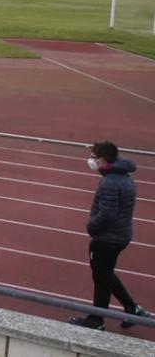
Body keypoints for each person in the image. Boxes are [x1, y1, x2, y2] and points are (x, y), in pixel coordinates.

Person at [68, 141, 147, 330]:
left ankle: (97, 320)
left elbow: (107, 214)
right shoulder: (123, 177)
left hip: (108, 238)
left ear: (103, 160)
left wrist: (92, 227)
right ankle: (132, 308)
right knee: (105, 273)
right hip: (120, 234)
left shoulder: (110, 183)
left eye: (94, 157)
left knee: (101, 278)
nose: (91, 161)